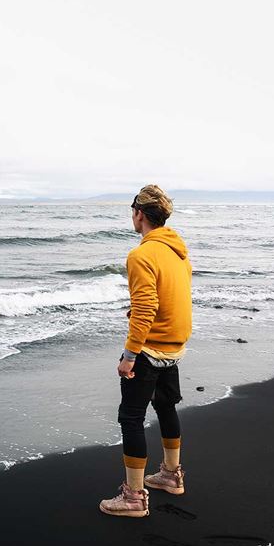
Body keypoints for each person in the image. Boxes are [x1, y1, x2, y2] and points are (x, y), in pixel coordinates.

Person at [99, 184, 193, 518]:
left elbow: (146, 307)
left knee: (131, 418)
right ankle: (171, 475)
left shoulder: (141, 254)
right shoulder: (178, 253)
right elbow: (170, 298)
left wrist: (129, 355)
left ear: (139, 213)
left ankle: (134, 498)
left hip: (150, 348)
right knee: (166, 407)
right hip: (175, 344)